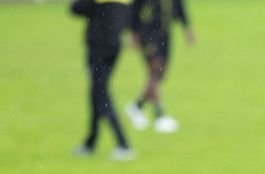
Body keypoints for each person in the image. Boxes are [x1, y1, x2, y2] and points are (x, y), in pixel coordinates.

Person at [70, 0, 136, 161]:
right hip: (114, 45)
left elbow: (75, 9)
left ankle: (123, 144)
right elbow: (129, 19)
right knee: (96, 93)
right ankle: (90, 142)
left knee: (100, 94)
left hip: (98, 46)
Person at [125, 0, 195, 133]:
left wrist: (187, 28)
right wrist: (134, 33)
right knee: (155, 71)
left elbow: (180, 5)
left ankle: (137, 106)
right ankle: (159, 115)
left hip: (165, 32)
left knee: (161, 73)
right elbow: (135, 8)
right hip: (149, 32)